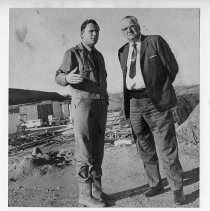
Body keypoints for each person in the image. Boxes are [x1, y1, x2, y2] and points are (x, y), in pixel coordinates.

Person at [118, 16, 186, 205]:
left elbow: (172, 67)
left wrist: (161, 90)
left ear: (139, 26)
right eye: (125, 29)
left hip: (155, 102)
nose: (129, 31)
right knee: (144, 146)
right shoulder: (122, 51)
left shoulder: (154, 41)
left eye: (132, 26)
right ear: (122, 33)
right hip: (134, 104)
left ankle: (177, 188)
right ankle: (155, 184)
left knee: (167, 146)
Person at [55, 19, 108, 207]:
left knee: (98, 149)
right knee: (84, 149)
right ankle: (85, 195)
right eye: (91, 31)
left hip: (100, 105)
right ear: (82, 34)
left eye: (97, 31)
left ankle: (97, 190)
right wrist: (67, 78)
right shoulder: (73, 53)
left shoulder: (99, 55)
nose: (95, 34)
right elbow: (58, 76)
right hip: (83, 104)